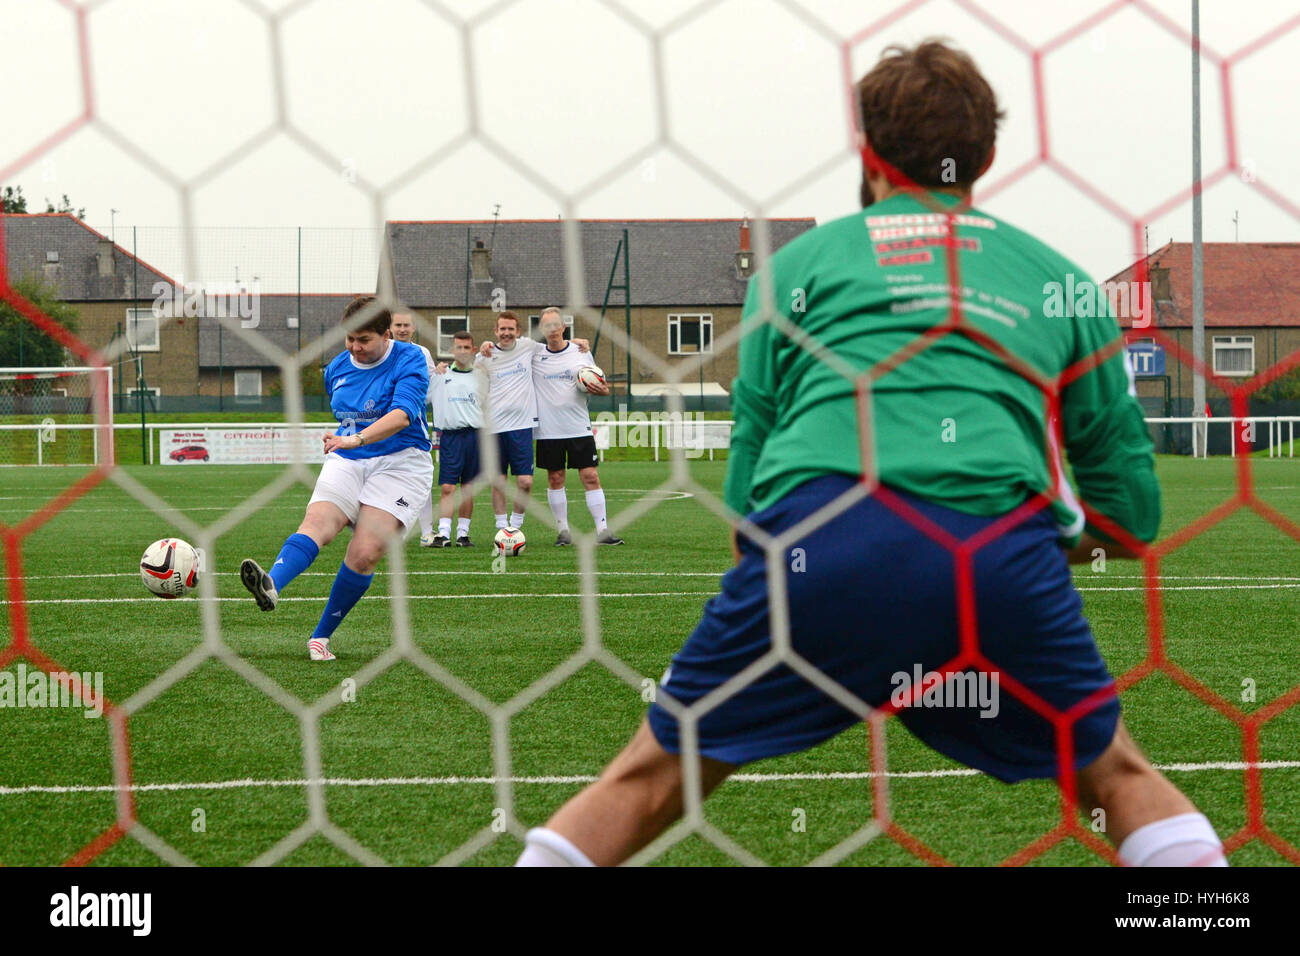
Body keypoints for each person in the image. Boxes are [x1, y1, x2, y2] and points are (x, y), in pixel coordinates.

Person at [515, 40, 1225, 868]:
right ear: (987, 157)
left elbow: (750, 491)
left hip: (816, 547)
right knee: (1115, 774)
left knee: (649, 777)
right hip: (994, 553)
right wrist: (1023, 552)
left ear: (867, 152)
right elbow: (1131, 513)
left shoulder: (798, 269)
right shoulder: (1059, 279)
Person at [239, 295, 432, 662]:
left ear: (386, 333)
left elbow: (403, 415)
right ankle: (271, 585)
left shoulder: (410, 359)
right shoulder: (337, 368)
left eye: (364, 340)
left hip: (401, 463)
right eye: (349, 339)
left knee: (364, 552)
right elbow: (346, 418)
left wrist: (355, 437)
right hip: (349, 458)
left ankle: (320, 637)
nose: (355, 348)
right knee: (317, 523)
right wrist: (343, 437)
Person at [475, 311, 587, 532]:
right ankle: (501, 528)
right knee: (498, 481)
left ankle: (515, 527)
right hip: (494, 428)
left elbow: (555, 343)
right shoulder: (484, 356)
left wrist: (577, 342)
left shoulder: (528, 347)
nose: (506, 333)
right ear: (496, 331)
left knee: (525, 482)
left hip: (522, 426)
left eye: (511, 329)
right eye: (502, 329)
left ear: (518, 331)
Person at [531, 307, 622, 546]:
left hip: (578, 427)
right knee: (555, 478)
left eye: (556, 325)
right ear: (542, 329)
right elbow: (507, 346)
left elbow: (600, 384)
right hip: (548, 430)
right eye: (547, 326)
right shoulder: (534, 354)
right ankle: (563, 531)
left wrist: (602, 389)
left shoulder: (581, 352)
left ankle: (602, 530)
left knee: (591, 476)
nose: (552, 330)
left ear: (563, 327)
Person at [426, 330, 484, 547]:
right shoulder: (440, 376)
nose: (462, 351)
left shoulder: (481, 377)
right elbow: (423, 398)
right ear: (452, 350)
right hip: (451, 437)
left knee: (468, 488)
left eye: (466, 347)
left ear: (473, 350)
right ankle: (443, 534)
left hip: (476, 436)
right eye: (458, 347)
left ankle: (463, 534)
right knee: (448, 487)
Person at [389, 310, 440, 547]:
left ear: (414, 328)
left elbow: (430, 388)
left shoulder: (422, 352)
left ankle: (427, 532)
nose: (402, 329)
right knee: (385, 478)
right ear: (390, 328)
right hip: (382, 427)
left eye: (406, 325)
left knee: (421, 478)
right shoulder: (382, 351)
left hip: (413, 427)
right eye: (398, 325)